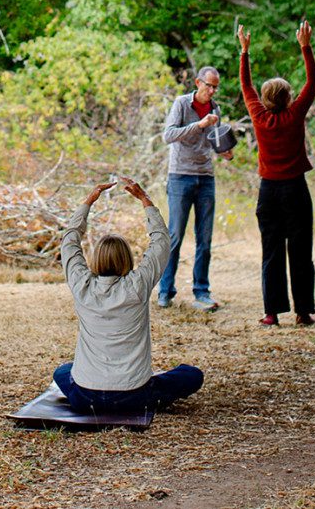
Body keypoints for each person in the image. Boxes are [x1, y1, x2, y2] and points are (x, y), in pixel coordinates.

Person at [53, 177, 204, 414]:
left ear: (95, 260)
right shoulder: (138, 284)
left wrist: (88, 202)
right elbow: (162, 243)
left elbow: (69, 240)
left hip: (85, 397)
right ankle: (150, 394)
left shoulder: (81, 284)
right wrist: (145, 200)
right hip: (133, 397)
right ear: (127, 260)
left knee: (62, 372)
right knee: (192, 375)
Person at [237, 20, 315, 327]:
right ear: (287, 98)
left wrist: (245, 52)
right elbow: (313, 83)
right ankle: (303, 312)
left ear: (266, 98)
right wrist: (305, 46)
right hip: (296, 190)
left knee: (271, 251)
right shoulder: (295, 114)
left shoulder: (259, 116)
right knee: (301, 251)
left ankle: (272, 313)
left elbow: (246, 87)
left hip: (268, 192)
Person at [158, 66, 234, 311]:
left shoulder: (215, 110)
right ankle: (165, 290)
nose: (211, 91)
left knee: (205, 238)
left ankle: (202, 291)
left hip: (206, 178)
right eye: (208, 85)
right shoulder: (182, 104)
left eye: (215, 87)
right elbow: (168, 135)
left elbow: (213, 142)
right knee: (175, 235)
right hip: (180, 176)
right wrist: (199, 124)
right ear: (198, 82)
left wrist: (225, 151)